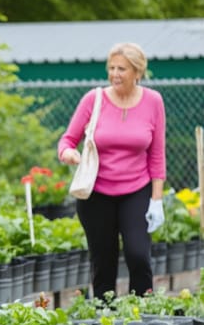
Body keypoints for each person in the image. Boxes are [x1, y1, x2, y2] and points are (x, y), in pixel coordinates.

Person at [58, 42, 165, 300]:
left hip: (136, 191)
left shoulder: (153, 102)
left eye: (122, 69)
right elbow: (67, 140)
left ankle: (142, 311)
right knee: (103, 261)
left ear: (137, 72)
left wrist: (157, 201)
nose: (115, 74)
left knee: (138, 255)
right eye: (112, 68)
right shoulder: (93, 100)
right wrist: (68, 154)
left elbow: (157, 155)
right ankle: (105, 321)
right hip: (97, 193)